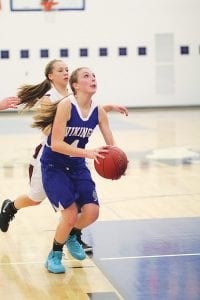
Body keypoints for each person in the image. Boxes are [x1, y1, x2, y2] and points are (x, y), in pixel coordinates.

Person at [0, 60, 128, 255]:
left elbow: (86, 110)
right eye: (60, 70)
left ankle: (74, 236)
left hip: (73, 157)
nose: (65, 72)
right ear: (51, 76)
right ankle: (11, 207)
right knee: (35, 198)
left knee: (76, 204)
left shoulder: (72, 97)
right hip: (49, 155)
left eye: (67, 69)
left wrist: (107, 107)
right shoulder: (48, 99)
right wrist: (63, 118)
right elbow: (47, 129)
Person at [35, 66, 118, 273]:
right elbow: (56, 143)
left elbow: (112, 148)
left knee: (92, 212)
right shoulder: (66, 105)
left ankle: (72, 235)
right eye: (86, 76)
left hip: (77, 165)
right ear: (75, 85)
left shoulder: (98, 111)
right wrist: (88, 152)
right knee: (70, 214)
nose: (93, 78)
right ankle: (54, 254)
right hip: (54, 165)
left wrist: (118, 164)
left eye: (94, 75)